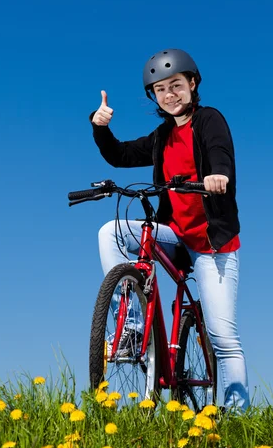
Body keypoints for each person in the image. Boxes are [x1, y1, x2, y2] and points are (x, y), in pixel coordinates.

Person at [90, 49, 249, 412]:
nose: (170, 95)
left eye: (176, 85)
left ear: (192, 84)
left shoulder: (209, 121)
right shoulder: (161, 136)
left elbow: (220, 150)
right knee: (110, 232)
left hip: (212, 245)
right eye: (161, 90)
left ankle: (238, 418)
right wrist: (100, 126)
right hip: (174, 235)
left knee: (223, 337)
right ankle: (131, 327)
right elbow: (120, 155)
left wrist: (219, 175)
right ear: (155, 97)